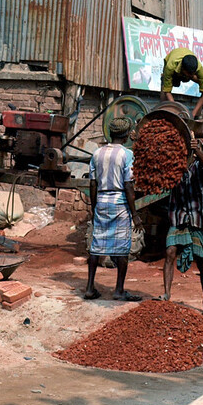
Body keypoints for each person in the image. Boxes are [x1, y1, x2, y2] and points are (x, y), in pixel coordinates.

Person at [158, 124, 203, 317]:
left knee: (202, 261)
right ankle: (166, 293)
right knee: (170, 251)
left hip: (199, 216)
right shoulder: (172, 160)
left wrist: (196, 150)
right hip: (179, 214)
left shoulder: (199, 159)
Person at [85, 117, 143, 301]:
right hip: (119, 203)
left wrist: (95, 209)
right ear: (126, 136)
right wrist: (135, 214)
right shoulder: (127, 155)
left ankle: (89, 287)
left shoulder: (97, 153)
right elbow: (128, 186)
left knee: (96, 246)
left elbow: (92, 184)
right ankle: (118, 289)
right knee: (122, 249)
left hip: (101, 200)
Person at [161, 48, 203, 127]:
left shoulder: (198, 68)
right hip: (175, 71)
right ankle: (163, 120)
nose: (191, 76)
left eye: (192, 74)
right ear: (183, 69)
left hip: (187, 70)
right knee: (164, 88)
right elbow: (167, 91)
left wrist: (192, 114)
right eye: (189, 74)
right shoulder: (170, 66)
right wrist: (176, 111)